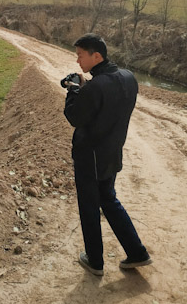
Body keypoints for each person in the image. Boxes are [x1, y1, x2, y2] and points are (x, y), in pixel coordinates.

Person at [62, 33, 152, 276]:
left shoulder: (97, 86)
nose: (78, 60)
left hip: (90, 157)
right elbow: (107, 101)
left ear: (96, 56)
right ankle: (137, 252)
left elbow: (74, 116)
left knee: (89, 206)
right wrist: (86, 86)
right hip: (112, 153)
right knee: (109, 200)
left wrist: (73, 88)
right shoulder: (128, 78)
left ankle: (95, 260)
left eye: (81, 55)